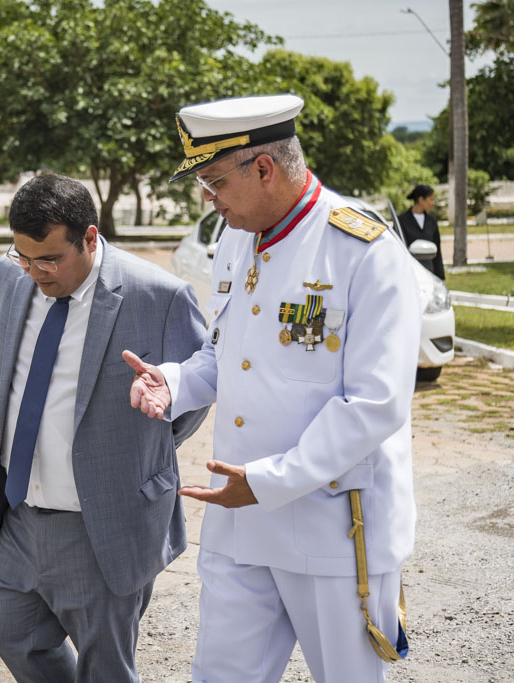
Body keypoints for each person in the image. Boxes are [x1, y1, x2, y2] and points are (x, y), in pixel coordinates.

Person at [123, 94, 421, 682]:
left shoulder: (362, 251)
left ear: (262, 169)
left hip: (334, 525)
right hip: (240, 522)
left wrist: (264, 483)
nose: (209, 200)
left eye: (213, 182)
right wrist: (174, 382)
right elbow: (225, 355)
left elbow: (374, 403)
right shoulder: (238, 238)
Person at [0, 173, 208, 682]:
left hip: (100, 522)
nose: (37, 272)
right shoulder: (11, 278)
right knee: (10, 630)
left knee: (105, 667)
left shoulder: (158, 296)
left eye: (51, 259)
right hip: (20, 513)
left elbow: (193, 393)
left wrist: (138, 446)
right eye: (25, 256)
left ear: (90, 237)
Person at [397, 183, 445, 280]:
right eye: (431, 199)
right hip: (409, 274)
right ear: (421, 199)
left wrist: (439, 276)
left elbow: (437, 249)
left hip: (429, 272)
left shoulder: (432, 221)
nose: (433, 203)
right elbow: (397, 249)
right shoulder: (401, 221)